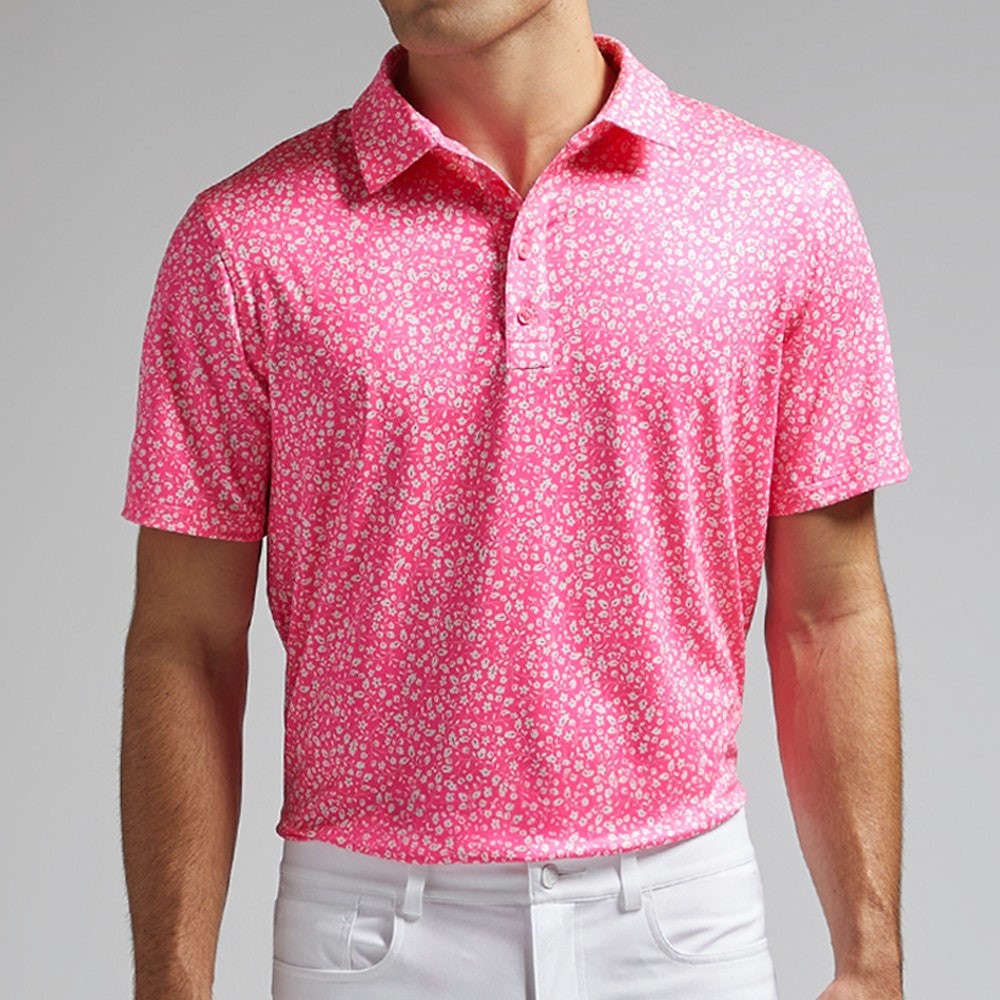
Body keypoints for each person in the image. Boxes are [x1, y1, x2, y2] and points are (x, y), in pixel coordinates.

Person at [118, 2, 910, 998]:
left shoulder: (779, 209)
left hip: (680, 925)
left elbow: (827, 609)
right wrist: (171, 982)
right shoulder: (246, 241)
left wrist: (871, 959)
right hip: (369, 935)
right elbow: (186, 639)